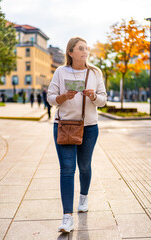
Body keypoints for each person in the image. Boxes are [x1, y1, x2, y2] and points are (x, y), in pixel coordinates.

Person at [47, 37, 107, 233]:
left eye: (86, 49)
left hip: (89, 127)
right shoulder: (61, 71)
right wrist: (63, 97)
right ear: (70, 52)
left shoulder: (95, 72)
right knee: (67, 168)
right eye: (80, 49)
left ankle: (83, 196)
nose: (85, 52)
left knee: (84, 166)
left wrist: (94, 97)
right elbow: (50, 97)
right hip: (65, 125)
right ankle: (67, 217)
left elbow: (103, 100)